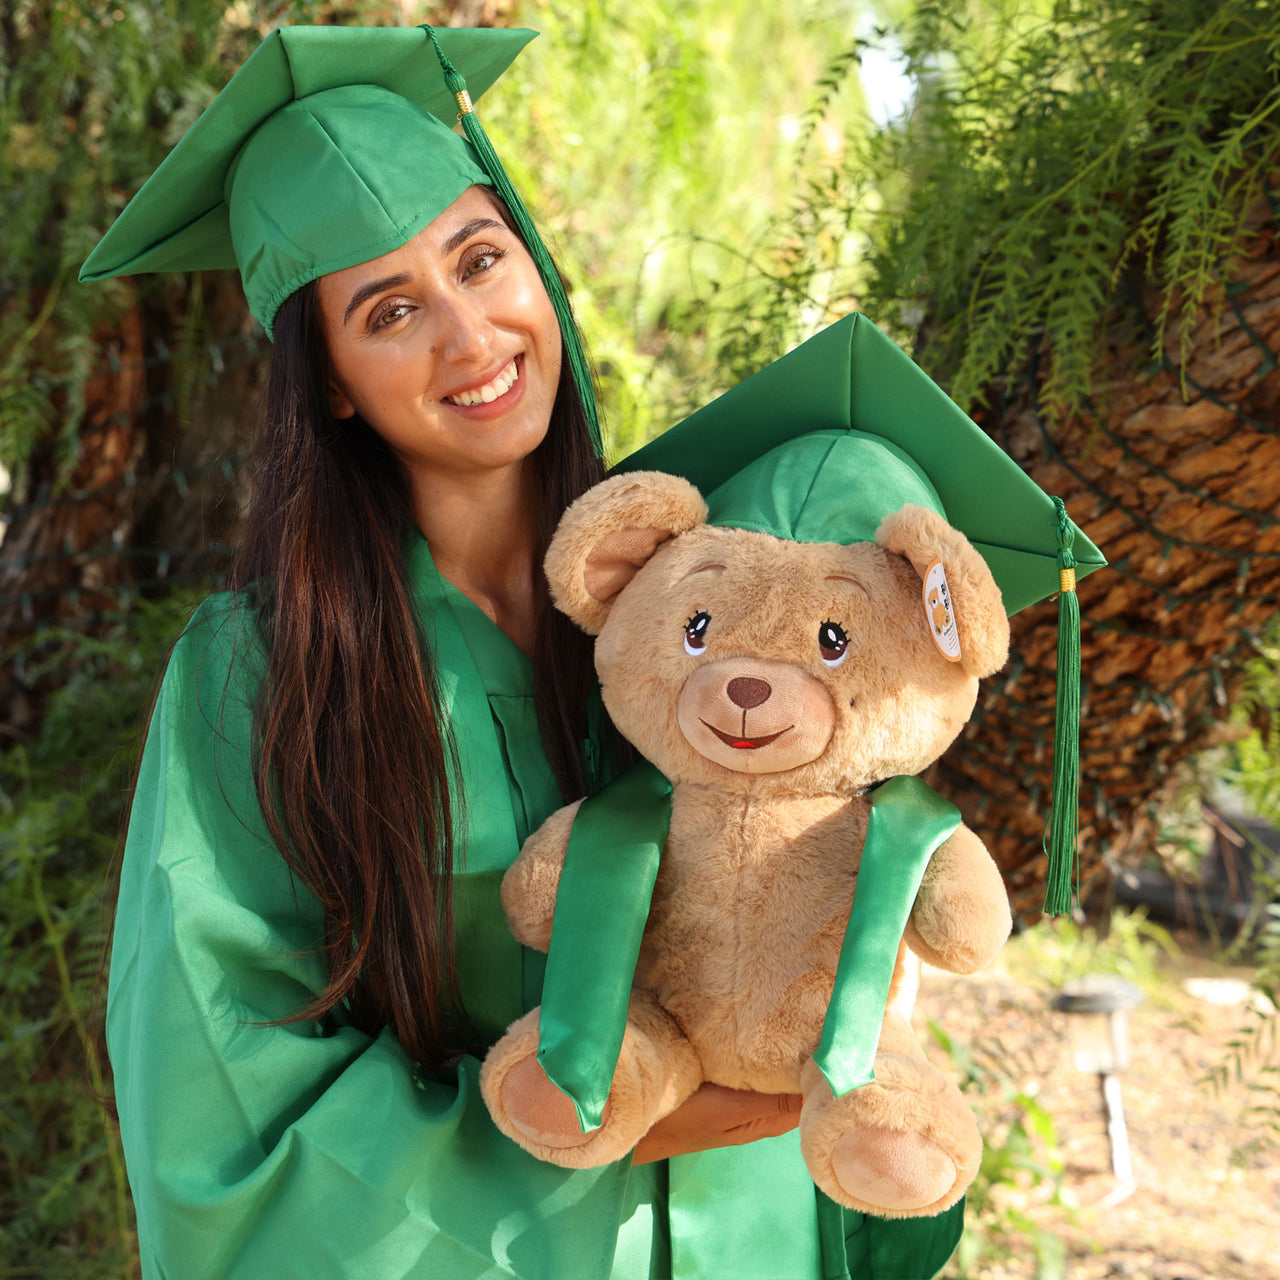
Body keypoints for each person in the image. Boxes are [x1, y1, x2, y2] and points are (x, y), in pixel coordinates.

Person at [81, 22, 971, 1280]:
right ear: (329, 381)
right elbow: (219, 1086)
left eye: (479, 258)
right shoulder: (262, 673)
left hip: (762, 1233)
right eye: (391, 310)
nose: (470, 336)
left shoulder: (696, 590)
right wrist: (598, 1133)